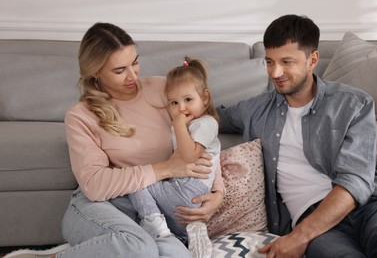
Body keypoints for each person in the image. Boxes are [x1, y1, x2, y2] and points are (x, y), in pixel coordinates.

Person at [5, 22, 224, 258]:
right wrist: (166, 168)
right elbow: (95, 185)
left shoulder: (165, 89)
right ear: (95, 72)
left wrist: (217, 195)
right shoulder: (81, 115)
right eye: (120, 70)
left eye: (135, 62)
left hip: (153, 212)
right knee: (138, 248)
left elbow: (205, 136)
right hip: (103, 205)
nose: (133, 76)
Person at [217, 14, 377, 258]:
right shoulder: (256, 109)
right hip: (316, 225)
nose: (276, 72)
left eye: (287, 62)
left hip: (371, 205)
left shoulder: (353, 104)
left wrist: (298, 237)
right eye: (269, 62)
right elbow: (216, 116)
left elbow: (355, 182)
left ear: (312, 60)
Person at [128, 56, 220, 257]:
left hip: (189, 188)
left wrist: (178, 125)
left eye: (188, 100)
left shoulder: (206, 123)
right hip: (189, 193)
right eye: (174, 102)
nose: (181, 108)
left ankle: (153, 223)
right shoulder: (190, 124)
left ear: (205, 98)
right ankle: (188, 235)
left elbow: (189, 156)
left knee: (136, 183)